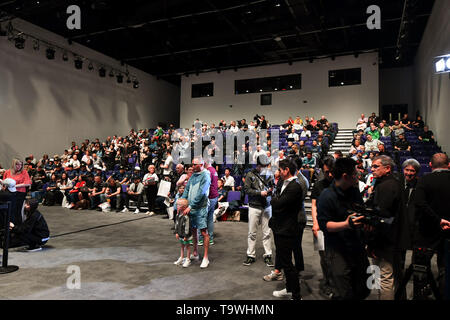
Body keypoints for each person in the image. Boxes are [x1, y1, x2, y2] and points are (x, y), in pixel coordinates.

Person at [317, 157, 371, 300]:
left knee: (364, 288)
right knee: (344, 293)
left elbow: (360, 212)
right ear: (345, 176)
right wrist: (346, 224)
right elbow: (325, 225)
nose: (358, 176)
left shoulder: (353, 191)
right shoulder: (326, 196)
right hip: (338, 251)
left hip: (357, 248)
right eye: (355, 173)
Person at [365, 155, 402, 300]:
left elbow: (381, 217)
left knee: (385, 278)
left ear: (387, 168)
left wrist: (373, 243)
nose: (372, 169)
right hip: (385, 238)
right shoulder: (387, 183)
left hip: (385, 240)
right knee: (379, 277)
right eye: (372, 166)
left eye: (376, 166)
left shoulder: (387, 186)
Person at [414, 153, 450, 297]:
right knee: (445, 266)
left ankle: (421, 294)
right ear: (449, 165)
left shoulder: (424, 180)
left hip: (427, 231)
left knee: (421, 266)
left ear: (430, 165)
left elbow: (420, 203)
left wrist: (438, 219)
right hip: (449, 230)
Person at [270, 159, 304, 300]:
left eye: (280, 169)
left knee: (288, 264)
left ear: (286, 170)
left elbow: (277, 204)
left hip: (287, 228)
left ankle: (296, 295)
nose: (278, 172)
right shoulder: (284, 183)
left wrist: (273, 198)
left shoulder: (295, 186)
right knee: (285, 261)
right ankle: (290, 289)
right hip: (279, 227)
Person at [243, 155, 275, 267]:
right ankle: (250, 255)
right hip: (254, 206)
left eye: (266, 166)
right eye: (263, 166)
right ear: (257, 165)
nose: (265, 168)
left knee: (267, 233)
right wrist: (259, 193)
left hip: (267, 206)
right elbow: (246, 189)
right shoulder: (250, 175)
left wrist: (271, 190)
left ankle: (268, 255)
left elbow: (274, 187)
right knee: (252, 233)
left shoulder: (269, 174)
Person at [310, 157, 336, 299]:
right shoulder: (318, 186)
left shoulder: (339, 184)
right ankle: (328, 282)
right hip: (320, 227)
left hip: (335, 227)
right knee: (324, 257)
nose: (330, 175)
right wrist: (315, 223)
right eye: (327, 172)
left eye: (332, 172)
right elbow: (313, 205)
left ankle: (335, 282)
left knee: (335, 257)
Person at [181, 157, 211, 269]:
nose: (192, 167)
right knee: (193, 231)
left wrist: (190, 205)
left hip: (201, 208)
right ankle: (195, 253)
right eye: (192, 164)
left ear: (201, 164)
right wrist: (182, 203)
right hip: (191, 207)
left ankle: (206, 258)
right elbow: (187, 190)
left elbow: (201, 193)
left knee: (203, 232)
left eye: (194, 165)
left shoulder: (206, 176)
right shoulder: (193, 175)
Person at [3, 159, 31, 225]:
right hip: (9, 193)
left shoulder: (24, 172)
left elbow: (28, 183)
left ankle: (17, 227)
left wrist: (14, 185)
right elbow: (4, 182)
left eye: (21, 165)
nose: (19, 166)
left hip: (20, 193)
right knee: (8, 211)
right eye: (17, 164)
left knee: (17, 211)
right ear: (13, 164)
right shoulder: (7, 172)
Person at [199, 158, 218, 246]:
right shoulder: (213, 170)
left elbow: (207, 185)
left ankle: (200, 239)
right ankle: (210, 239)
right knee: (209, 219)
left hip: (209, 197)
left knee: (201, 217)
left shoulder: (208, 171)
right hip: (214, 196)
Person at [174, 198, 193, 267]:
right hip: (180, 234)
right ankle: (181, 258)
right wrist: (176, 232)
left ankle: (188, 259)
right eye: (177, 204)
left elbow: (187, 227)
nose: (177, 206)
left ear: (184, 207)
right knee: (182, 246)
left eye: (178, 205)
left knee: (187, 247)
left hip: (186, 235)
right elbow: (176, 224)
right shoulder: (178, 214)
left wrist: (186, 235)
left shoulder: (186, 217)